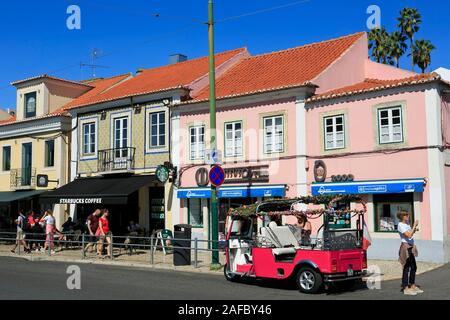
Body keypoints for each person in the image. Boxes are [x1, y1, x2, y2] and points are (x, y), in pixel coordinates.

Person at [397, 210, 423, 296]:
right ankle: (405, 288)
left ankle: (412, 285)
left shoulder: (407, 224)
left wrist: (414, 229)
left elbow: (410, 233)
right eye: (406, 215)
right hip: (406, 247)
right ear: (402, 217)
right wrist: (414, 225)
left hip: (411, 246)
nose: (408, 216)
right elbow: (408, 235)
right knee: (406, 267)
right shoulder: (400, 225)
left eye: (408, 214)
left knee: (414, 267)